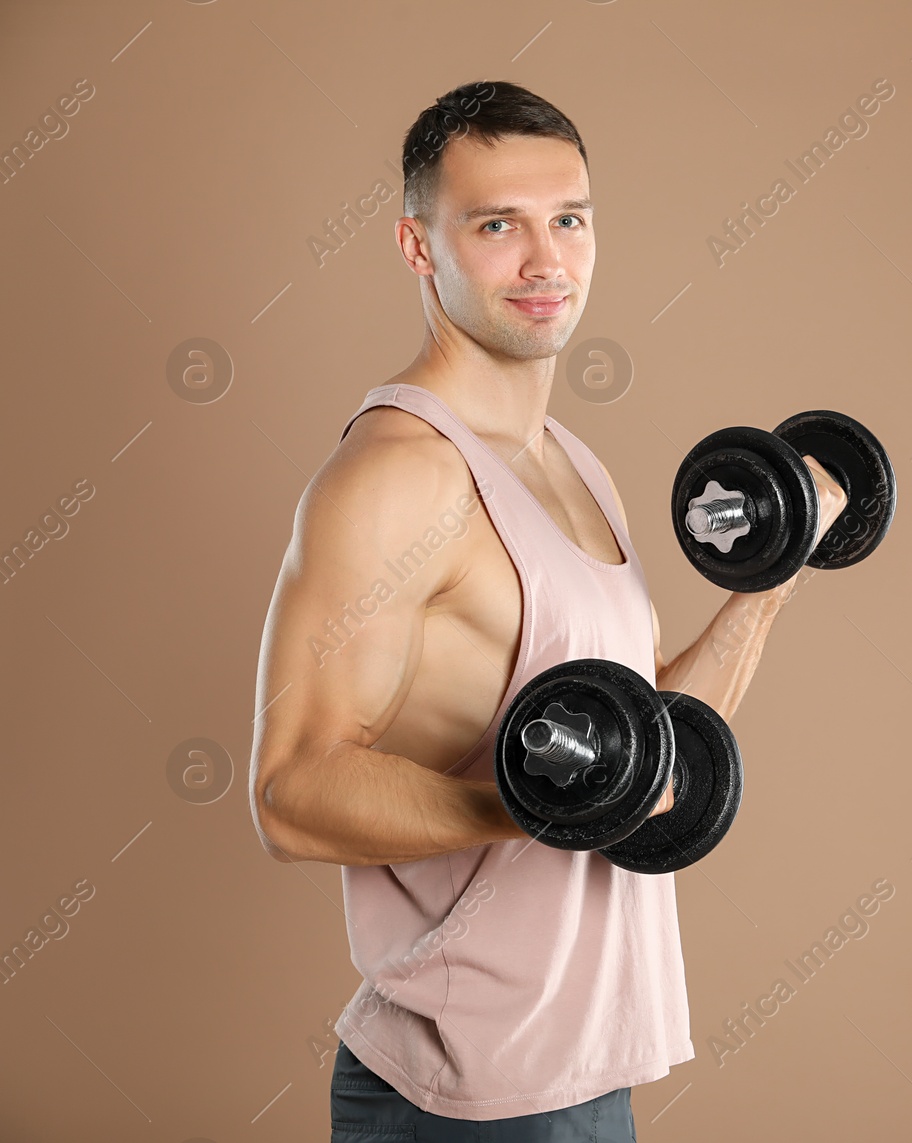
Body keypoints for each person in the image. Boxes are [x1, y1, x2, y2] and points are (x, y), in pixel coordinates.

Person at [246, 79, 845, 1140]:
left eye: (569, 219)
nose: (545, 261)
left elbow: (652, 744)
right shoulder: (396, 478)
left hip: (580, 1074)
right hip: (463, 1088)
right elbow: (292, 792)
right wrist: (534, 807)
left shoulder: (573, 466)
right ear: (417, 246)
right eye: (496, 226)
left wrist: (772, 575)